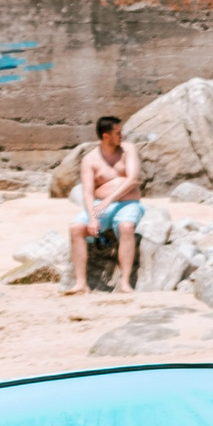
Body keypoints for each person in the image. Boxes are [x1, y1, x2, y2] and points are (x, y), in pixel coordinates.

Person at [64, 115, 144, 295]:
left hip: (128, 203)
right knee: (76, 228)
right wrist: (92, 218)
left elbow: (132, 179)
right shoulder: (90, 159)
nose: (122, 135)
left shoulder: (128, 149)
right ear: (106, 136)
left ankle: (124, 283)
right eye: (118, 132)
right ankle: (81, 284)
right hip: (100, 205)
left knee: (126, 226)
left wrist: (109, 200)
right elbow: (88, 193)